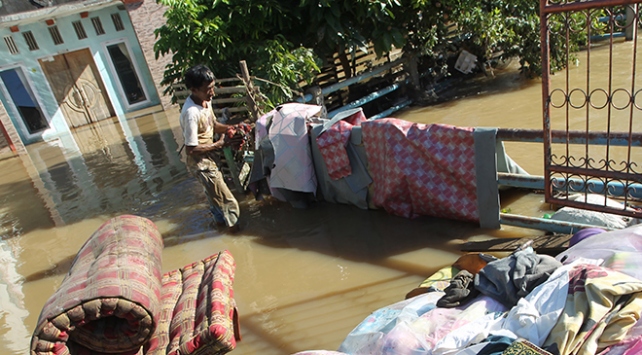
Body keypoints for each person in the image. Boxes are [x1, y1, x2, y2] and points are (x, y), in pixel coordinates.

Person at [180, 64, 242, 231]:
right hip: (201, 164)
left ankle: (219, 227)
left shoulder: (205, 101)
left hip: (209, 159)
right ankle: (237, 238)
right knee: (229, 202)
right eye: (208, 89)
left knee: (215, 199)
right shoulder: (191, 113)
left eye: (213, 87)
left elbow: (212, 125)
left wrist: (233, 127)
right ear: (194, 89)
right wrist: (219, 144)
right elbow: (191, 149)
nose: (212, 92)